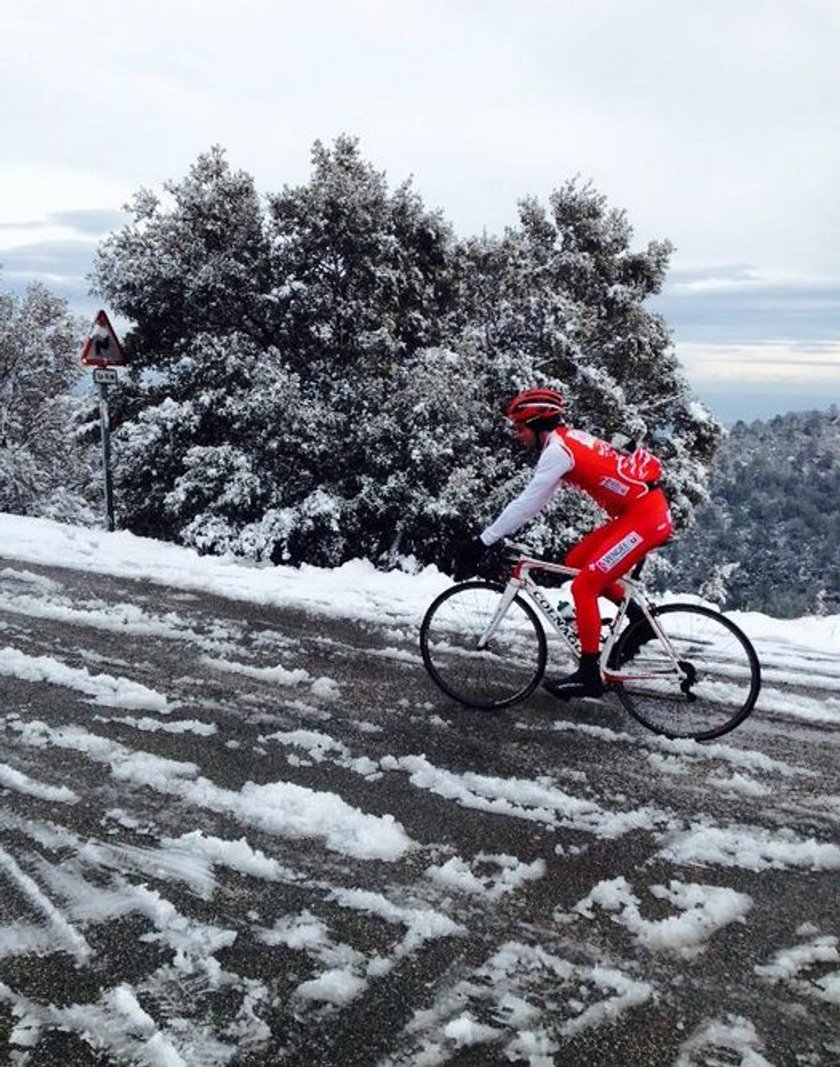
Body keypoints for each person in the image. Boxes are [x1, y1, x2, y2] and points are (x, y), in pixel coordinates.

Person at [451, 387, 673, 700]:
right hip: (638, 512)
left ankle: (589, 675)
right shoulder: (568, 437)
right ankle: (639, 623)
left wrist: (483, 541)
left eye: (521, 428)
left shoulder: (557, 451)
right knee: (575, 563)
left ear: (538, 424)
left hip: (645, 518)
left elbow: (528, 504)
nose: (519, 436)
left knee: (584, 587)